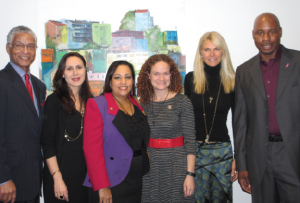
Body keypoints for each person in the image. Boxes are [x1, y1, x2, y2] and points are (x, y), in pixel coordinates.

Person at [234, 13, 300, 203]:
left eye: (271, 32)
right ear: (253, 35)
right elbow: (240, 123)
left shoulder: (298, 62)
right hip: (259, 159)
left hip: (293, 156)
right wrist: (242, 164)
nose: (266, 39)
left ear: (280, 32)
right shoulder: (244, 71)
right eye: (260, 33)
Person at [83, 61, 150, 203]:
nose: (123, 82)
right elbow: (92, 150)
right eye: (117, 77)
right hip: (111, 181)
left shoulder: (136, 103)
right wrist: (102, 186)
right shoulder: (97, 104)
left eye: (128, 77)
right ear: (110, 80)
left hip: (136, 178)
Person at [184, 31, 237, 202]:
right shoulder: (191, 79)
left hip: (222, 153)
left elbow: (239, 122)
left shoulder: (234, 80)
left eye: (216, 49)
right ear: (200, 53)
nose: (212, 54)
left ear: (223, 52)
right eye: (207, 49)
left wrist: (239, 158)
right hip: (195, 153)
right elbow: (185, 119)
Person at [137, 54, 196, 202]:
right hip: (150, 167)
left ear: (172, 75)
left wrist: (190, 174)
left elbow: (190, 142)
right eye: (156, 73)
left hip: (176, 165)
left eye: (165, 73)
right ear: (148, 75)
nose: (161, 78)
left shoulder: (183, 102)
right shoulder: (141, 104)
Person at [0, 26, 46, 203]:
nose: (25, 51)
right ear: (8, 48)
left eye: (31, 46)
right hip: (8, 182)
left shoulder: (39, 86)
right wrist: (2, 178)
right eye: (19, 45)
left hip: (33, 181)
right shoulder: (2, 82)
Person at [41, 52, 93, 202]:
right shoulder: (53, 101)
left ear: (85, 70)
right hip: (60, 175)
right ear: (62, 73)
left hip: (86, 177)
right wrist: (57, 177)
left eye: (79, 67)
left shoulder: (92, 102)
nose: (75, 73)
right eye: (69, 69)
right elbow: (47, 142)